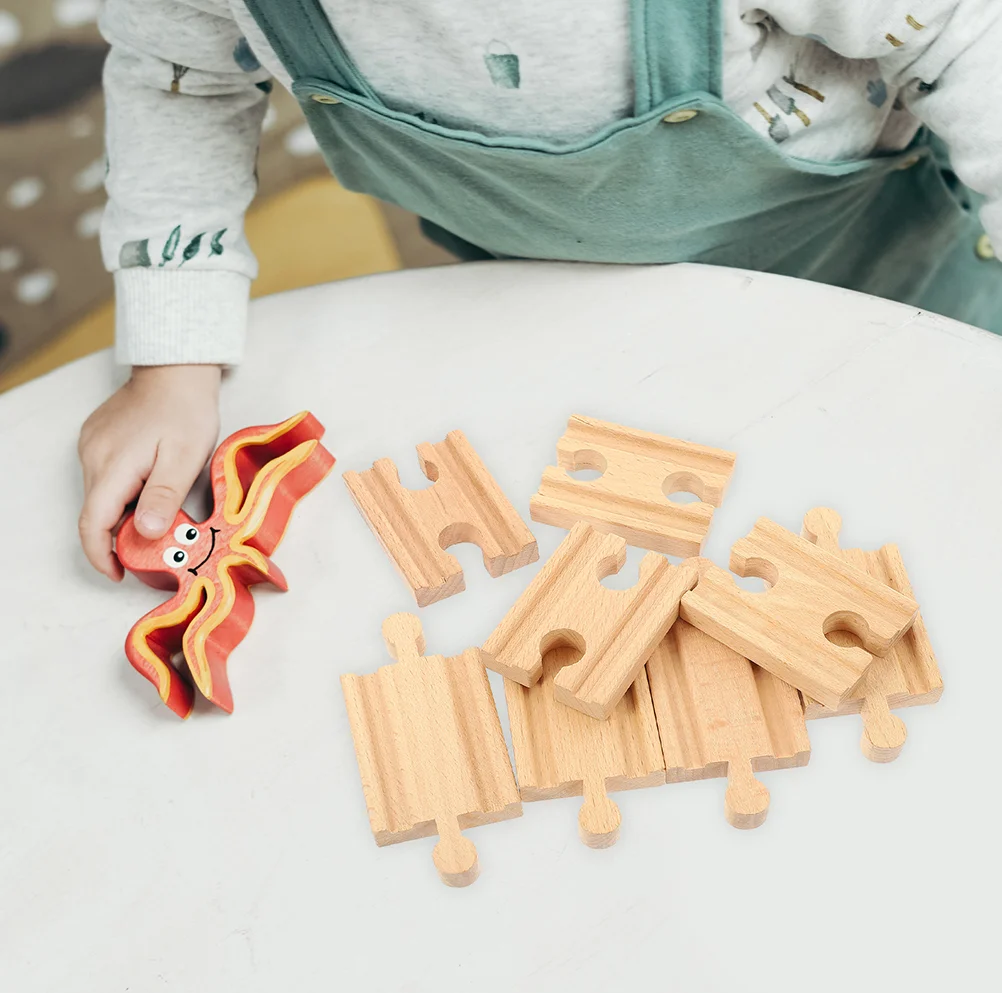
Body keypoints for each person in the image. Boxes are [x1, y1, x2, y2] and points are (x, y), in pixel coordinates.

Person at [78, 0, 1002, 578]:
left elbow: (968, 34)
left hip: (875, 275)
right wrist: (173, 356)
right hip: (541, 304)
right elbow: (183, 80)